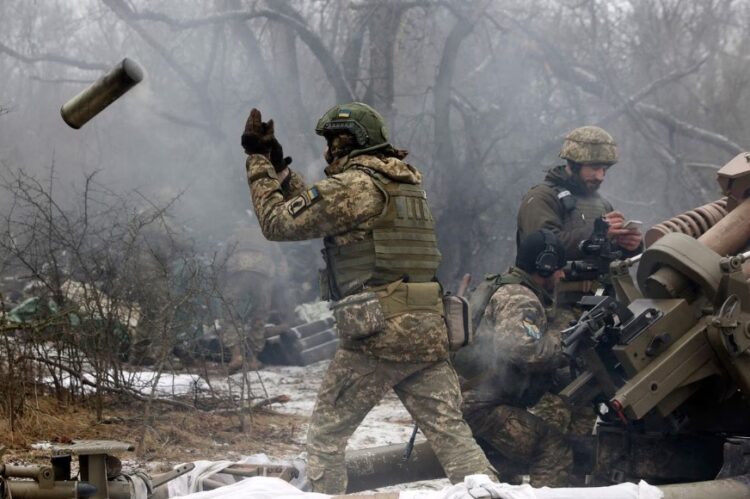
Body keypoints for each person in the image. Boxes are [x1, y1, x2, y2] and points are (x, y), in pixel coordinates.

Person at [241, 102, 496, 494]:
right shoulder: (405, 185)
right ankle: (488, 492)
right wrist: (284, 174)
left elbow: (278, 222)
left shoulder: (356, 186)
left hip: (380, 334)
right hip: (428, 330)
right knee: (454, 438)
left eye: (330, 142)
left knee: (325, 440)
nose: (326, 151)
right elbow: (325, 211)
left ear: (347, 142)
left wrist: (259, 163)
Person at [453, 229, 573, 486]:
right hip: (481, 406)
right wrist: (562, 342)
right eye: (558, 268)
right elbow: (521, 351)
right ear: (544, 266)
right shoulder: (520, 298)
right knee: (553, 449)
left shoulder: (499, 285)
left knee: (504, 464)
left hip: (470, 399)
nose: (562, 274)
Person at [516, 126, 643, 261]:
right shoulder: (542, 197)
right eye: (594, 167)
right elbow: (541, 248)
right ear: (574, 164)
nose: (600, 176)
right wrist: (596, 234)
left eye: (604, 169)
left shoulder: (602, 204)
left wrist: (628, 246)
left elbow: (608, 257)